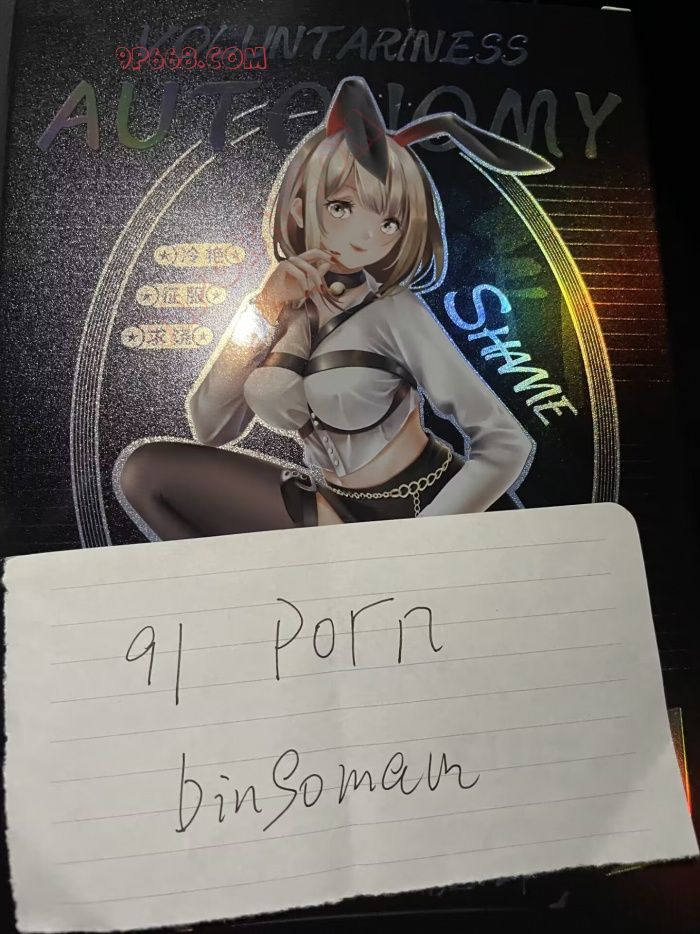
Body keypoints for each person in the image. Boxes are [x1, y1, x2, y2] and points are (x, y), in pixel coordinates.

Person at [119, 76, 553, 540]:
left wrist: (421, 540)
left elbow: (506, 442)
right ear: (300, 210)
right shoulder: (278, 310)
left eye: (389, 222)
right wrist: (264, 308)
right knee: (146, 473)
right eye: (342, 207)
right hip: (333, 509)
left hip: (425, 505)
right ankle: (244, 586)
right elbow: (210, 426)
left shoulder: (394, 311)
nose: (365, 237)